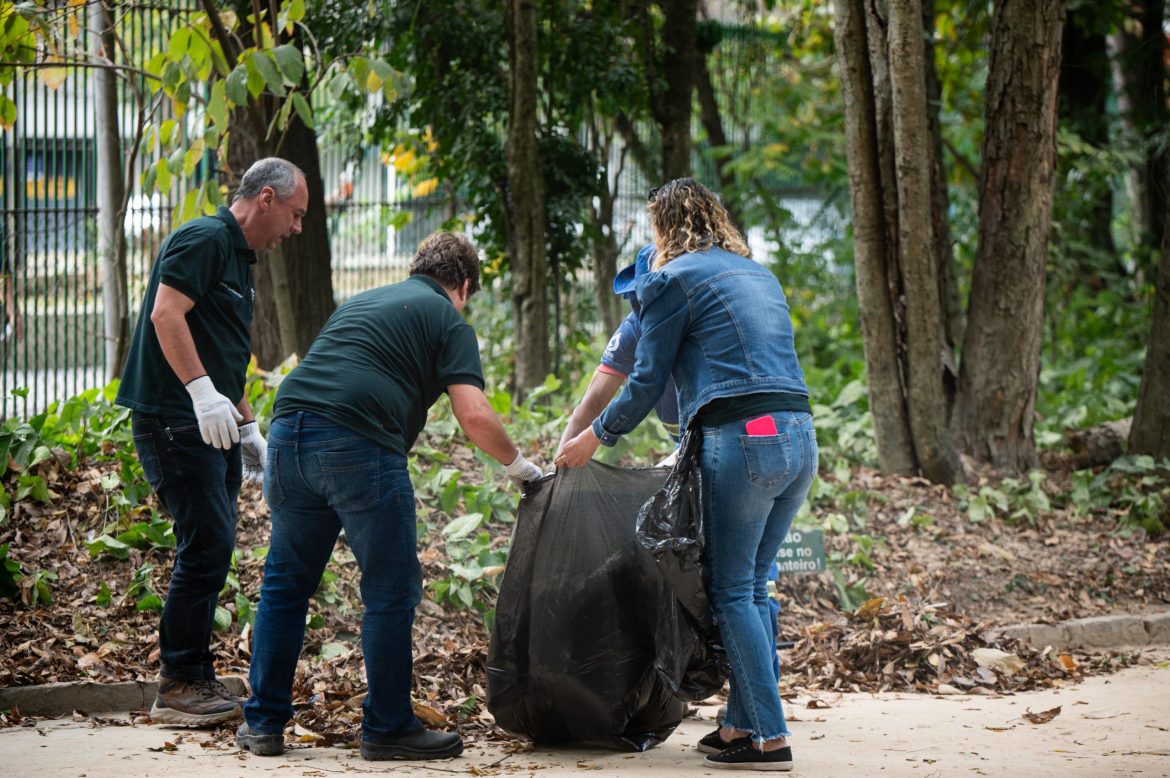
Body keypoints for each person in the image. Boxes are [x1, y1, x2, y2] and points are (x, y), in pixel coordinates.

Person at [236, 231, 543, 762]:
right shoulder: (448, 318)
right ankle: (387, 727)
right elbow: (473, 414)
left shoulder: (361, 303)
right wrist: (519, 466)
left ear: (416, 269)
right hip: (358, 443)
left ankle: (263, 724)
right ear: (464, 285)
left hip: (287, 434)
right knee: (390, 589)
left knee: (285, 585)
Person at [557, 178, 817, 772]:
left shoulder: (673, 279)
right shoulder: (759, 275)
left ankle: (770, 739)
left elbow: (646, 383)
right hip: (799, 437)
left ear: (664, 227)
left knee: (731, 590)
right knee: (752, 587)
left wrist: (595, 438)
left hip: (746, 439)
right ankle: (740, 724)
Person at [115, 157, 309, 726]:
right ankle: (177, 684)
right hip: (174, 420)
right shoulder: (205, 237)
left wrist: (248, 424)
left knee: (213, 549)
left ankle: (195, 676)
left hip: (211, 425)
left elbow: (222, 348)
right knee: (205, 547)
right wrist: (200, 393)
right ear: (267, 199)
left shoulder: (238, 259)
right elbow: (165, 314)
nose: (296, 229)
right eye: (294, 215)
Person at [556, 244, 680, 463]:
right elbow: (592, 402)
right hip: (683, 442)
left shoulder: (703, 326)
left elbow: (645, 385)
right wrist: (556, 474)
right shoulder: (633, 330)